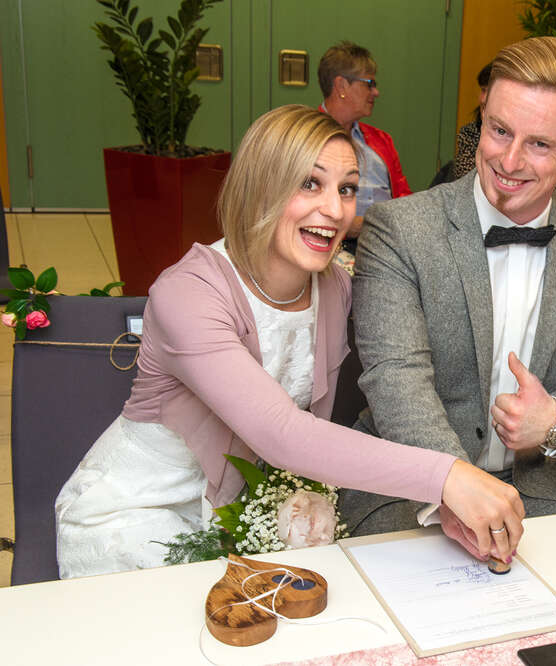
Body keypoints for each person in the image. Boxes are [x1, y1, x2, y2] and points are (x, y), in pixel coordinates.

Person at [55, 105, 524, 579]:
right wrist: (447, 478)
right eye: (309, 183)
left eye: (346, 189)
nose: (336, 210)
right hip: (139, 513)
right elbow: (284, 435)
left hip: (240, 516)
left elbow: (355, 402)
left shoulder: (334, 288)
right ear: (261, 186)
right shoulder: (189, 292)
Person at [345, 37, 556, 548]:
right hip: (411, 483)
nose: (510, 160)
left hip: (549, 486)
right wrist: (453, 484)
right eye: (499, 131)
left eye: (540, 144)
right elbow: (396, 376)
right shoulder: (400, 228)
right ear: (483, 113)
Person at [318, 41, 411, 258]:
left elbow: (405, 198)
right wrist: (363, 225)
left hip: (388, 244)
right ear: (341, 86)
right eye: (369, 83)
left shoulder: (382, 140)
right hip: (331, 245)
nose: (376, 92)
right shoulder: (304, 138)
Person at [450, 64, 556, 192]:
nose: (509, 165)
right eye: (501, 132)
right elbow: (469, 179)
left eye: (540, 144)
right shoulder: (469, 133)